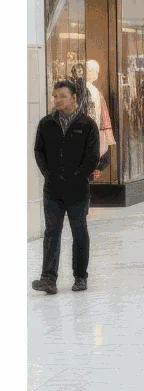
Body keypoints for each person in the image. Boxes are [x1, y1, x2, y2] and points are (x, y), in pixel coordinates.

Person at [32, 79, 100, 295]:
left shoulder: (87, 124)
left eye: (62, 95)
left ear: (74, 98)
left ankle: (80, 276)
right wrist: (48, 174)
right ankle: (48, 279)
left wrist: (79, 176)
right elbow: (39, 151)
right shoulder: (46, 123)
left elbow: (92, 156)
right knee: (52, 232)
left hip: (78, 189)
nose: (57, 100)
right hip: (52, 189)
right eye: (55, 96)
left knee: (79, 231)